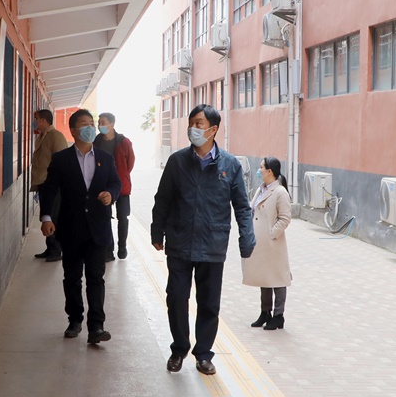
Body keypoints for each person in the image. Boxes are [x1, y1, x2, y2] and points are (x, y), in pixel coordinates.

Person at [151, 104, 256, 375]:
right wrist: (156, 231)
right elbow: (163, 199)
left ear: (213, 129)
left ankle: (204, 355)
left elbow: (242, 206)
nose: (193, 128)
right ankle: (179, 349)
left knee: (209, 303)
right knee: (176, 297)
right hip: (180, 242)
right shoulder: (177, 162)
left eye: (199, 123)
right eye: (191, 123)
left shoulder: (230, 165)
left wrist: (247, 238)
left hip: (212, 244)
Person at [39, 109, 122, 344]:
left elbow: (116, 182)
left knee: (96, 277)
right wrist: (46, 217)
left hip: (98, 228)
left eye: (91, 124)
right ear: (73, 131)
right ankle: (74, 320)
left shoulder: (105, 157)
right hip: (71, 227)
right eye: (84, 124)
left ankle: (96, 326)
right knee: (72, 277)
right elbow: (49, 189)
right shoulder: (62, 159)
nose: (90, 128)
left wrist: (111, 194)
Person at [243, 157, 292, 331]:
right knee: (264, 276)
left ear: (269, 171)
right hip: (261, 244)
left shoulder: (280, 192)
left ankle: (279, 316)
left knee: (278, 278)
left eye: (261, 167)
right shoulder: (261, 189)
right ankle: (265, 312)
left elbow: (285, 218)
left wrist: (272, 234)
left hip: (273, 243)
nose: (259, 170)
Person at [94, 112, 136, 261]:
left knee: (122, 217)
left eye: (103, 122)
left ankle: (122, 246)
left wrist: (120, 176)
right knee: (105, 217)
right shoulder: (96, 141)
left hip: (122, 187)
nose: (100, 125)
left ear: (112, 124)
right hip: (103, 186)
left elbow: (130, 163)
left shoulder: (124, 142)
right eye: (99, 122)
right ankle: (109, 250)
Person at [31, 109, 69, 262]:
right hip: (43, 182)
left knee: (54, 215)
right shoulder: (42, 136)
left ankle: (56, 250)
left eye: (36, 119)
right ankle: (50, 247)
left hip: (53, 183)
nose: (34, 121)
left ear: (43, 120)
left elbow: (63, 160)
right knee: (47, 214)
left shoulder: (56, 136)